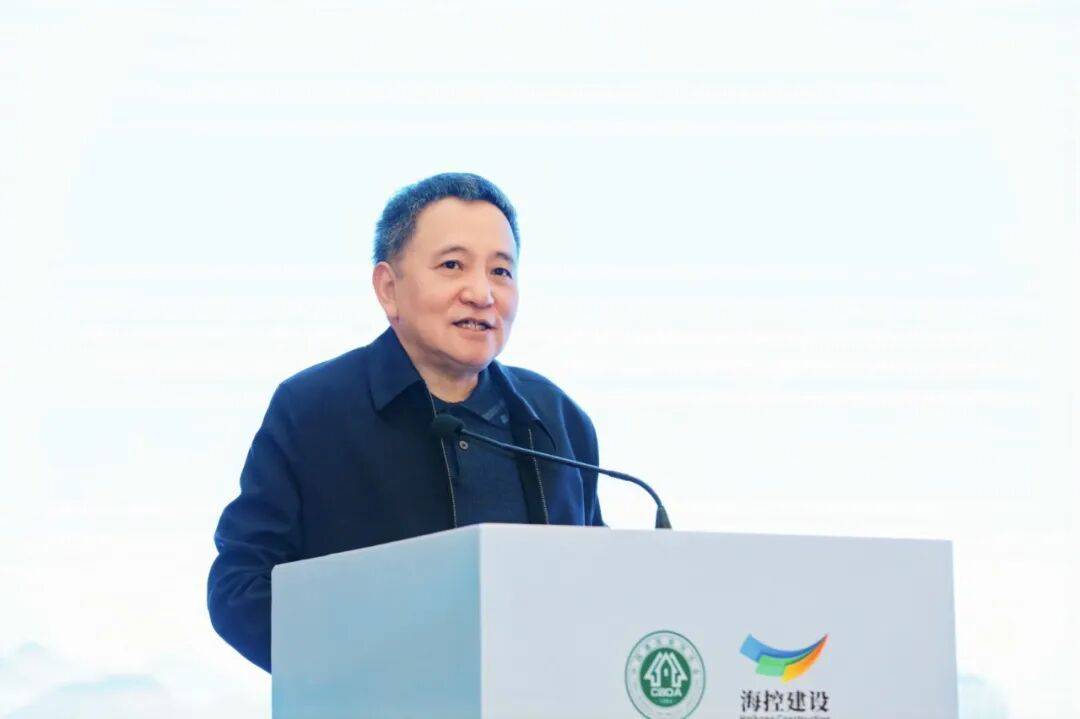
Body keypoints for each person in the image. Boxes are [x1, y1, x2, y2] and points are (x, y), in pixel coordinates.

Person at [207, 172, 605, 672]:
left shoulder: (555, 419)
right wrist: (364, 666)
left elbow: (598, 586)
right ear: (388, 288)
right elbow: (240, 587)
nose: (482, 293)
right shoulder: (314, 410)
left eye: (501, 271)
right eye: (453, 265)